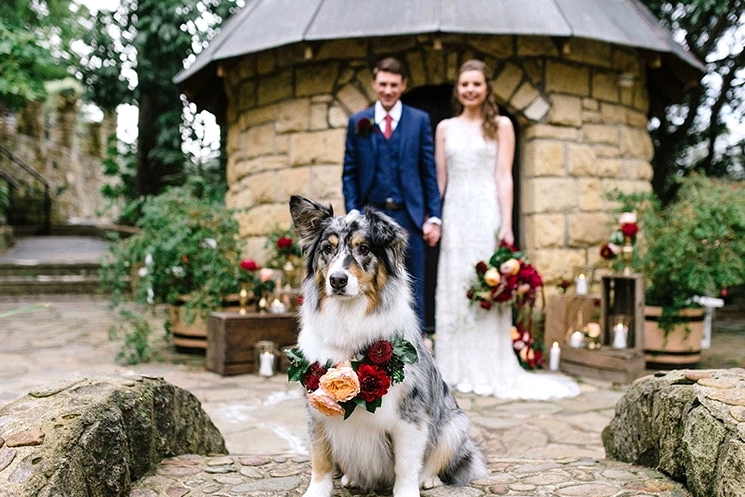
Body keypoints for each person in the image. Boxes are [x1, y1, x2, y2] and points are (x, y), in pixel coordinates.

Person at [434, 60, 579, 399]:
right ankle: (453, 367)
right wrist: (435, 218)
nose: (470, 89)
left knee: (487, 286)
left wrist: (507, 224)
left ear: (486, 88)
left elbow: (503, 176)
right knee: (456, 286)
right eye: (464, 84)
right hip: (455, 213)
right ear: (458, 89)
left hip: (485, 212)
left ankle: (487, 366)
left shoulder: (501, 125)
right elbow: (441, 180)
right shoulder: (445, 128)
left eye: (476, 84)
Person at [342, 57, 441, 329]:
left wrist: (434, 217)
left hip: (409, 217)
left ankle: (416, 346)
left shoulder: (419, 121)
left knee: (413, 284)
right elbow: (349, 171)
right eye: (383, 84)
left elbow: (428, 171)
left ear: (403, 85)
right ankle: (374, 346)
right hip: (370, 217)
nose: (388, 90)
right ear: (374, 84)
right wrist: (352, 210)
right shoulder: (358, 121)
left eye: (394, 85)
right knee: (369, 282)